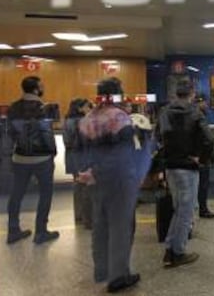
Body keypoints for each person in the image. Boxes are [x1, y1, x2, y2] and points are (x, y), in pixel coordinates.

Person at [79, 78, 152, 293]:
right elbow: (125, 151)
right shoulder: (119, 117)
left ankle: (102, 269)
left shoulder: (88, 118)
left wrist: (89, 172)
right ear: (117, 94)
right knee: (121, 225)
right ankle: (118, 276)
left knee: (100, 224)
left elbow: (82, 150)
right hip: (119, 178)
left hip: (94, 178)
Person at [157, 81, 214, 268]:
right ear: (192, 93)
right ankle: (178, 253)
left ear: (176, 93)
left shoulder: (164, 112)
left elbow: (158, 138)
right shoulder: (196, 112)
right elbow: (209, 140)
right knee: (186, 212)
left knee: (179, 209)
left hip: (170, 167)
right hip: (188, 168)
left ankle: (170, 249)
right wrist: (202, 159)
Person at [6, 76, 59, 245]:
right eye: (41, 85)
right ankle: (40, 232)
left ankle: (13, 230)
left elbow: (11, 132)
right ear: (36, 89)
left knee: (16, 193)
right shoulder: (43, 108)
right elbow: (47, 133)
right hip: (42, 158)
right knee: (45, 193)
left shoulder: (13, 107)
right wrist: (53, 152)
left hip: (20, 157)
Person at [63, 98, 93, 228]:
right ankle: (88, 218)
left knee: (77, 184)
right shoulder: (84, 121)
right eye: (87, 107)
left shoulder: (67, 121)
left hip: (71, 155)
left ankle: (78, 215)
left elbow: (66, 140)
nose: (89, 109)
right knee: (87, 185)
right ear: (80, 108)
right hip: (84, 155)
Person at [195, 94, 214, 218]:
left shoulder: (193, 115)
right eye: (204, 102)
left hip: (194, 156)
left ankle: (200, 209)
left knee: (198, 185)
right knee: (202, 185)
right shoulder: (200, 116)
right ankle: (202, 209)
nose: (206, 105)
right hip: (201, 157)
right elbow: (209, 139)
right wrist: (205, 158)